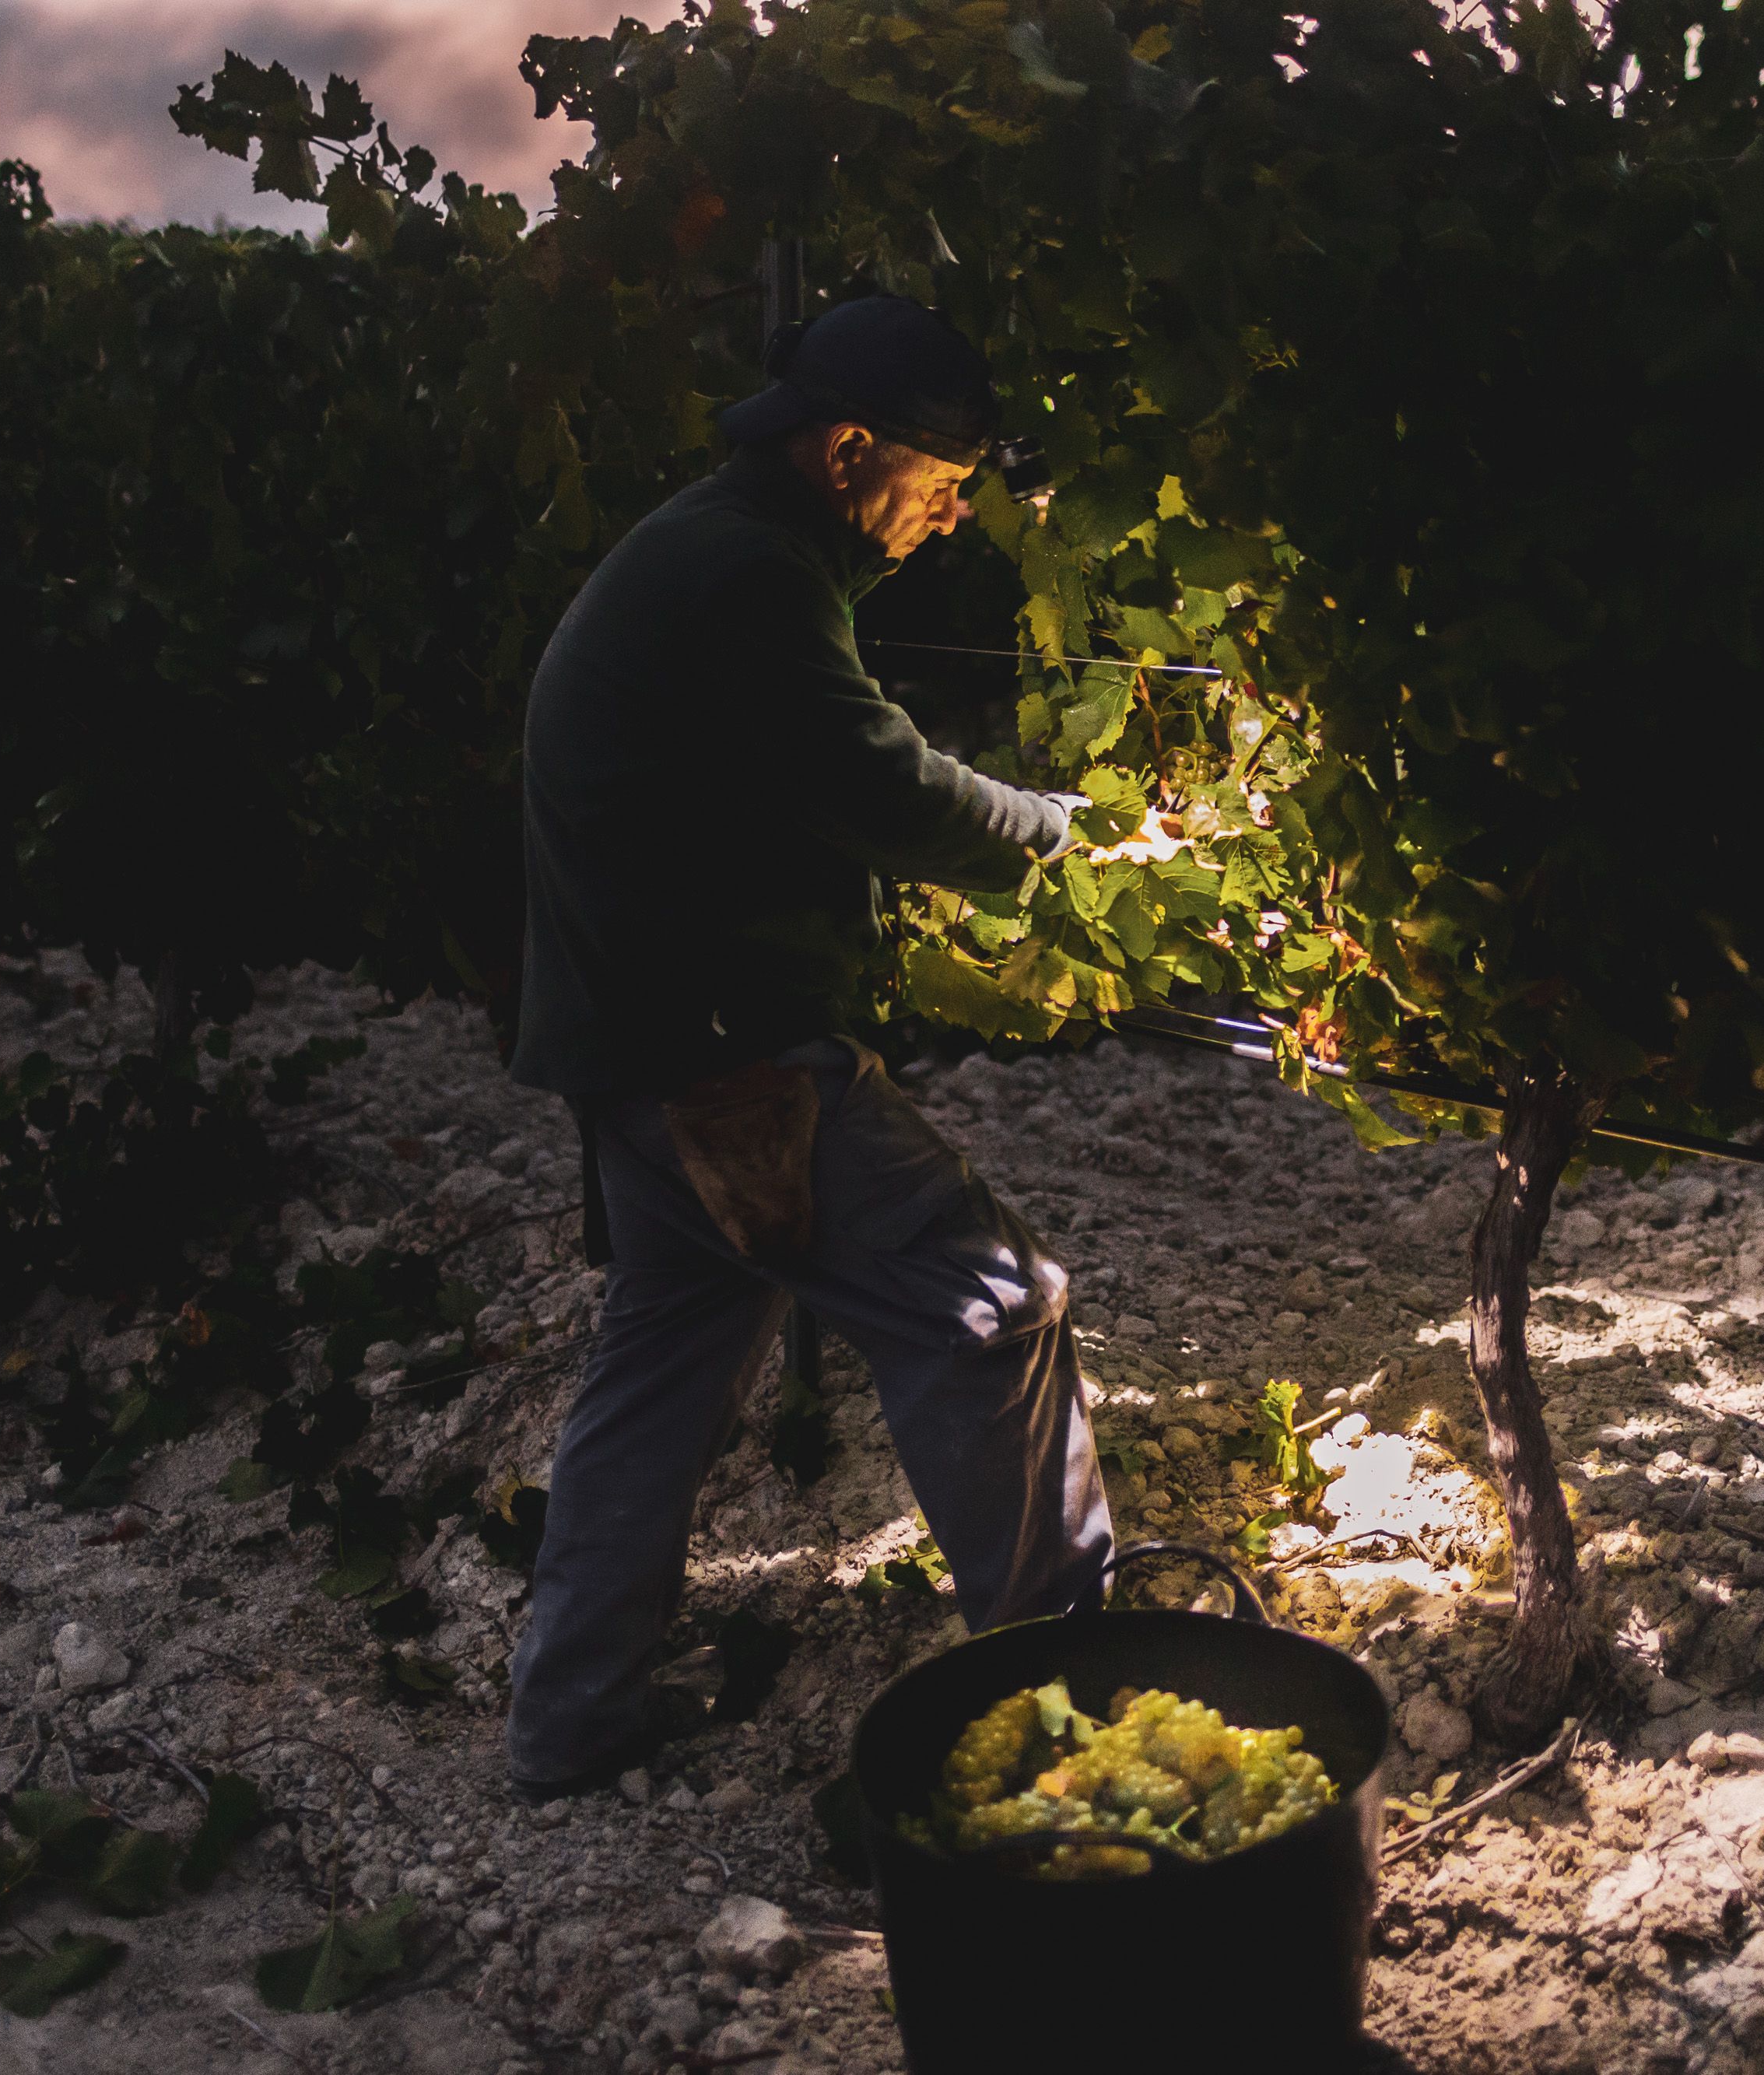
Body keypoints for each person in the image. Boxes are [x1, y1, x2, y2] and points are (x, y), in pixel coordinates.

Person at [504, 293, 1113, 1799]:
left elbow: (821, 770)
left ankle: (571, 1722)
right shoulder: (747, 578)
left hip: (636, 1048)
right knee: (996, 1308)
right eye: (944, 482)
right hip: (725, 1060)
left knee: (670, 1354)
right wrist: (1073, 851)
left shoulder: (717, 550)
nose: (956, 519)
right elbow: (883, 784)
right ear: (850, 453)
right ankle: (1065, 1708)